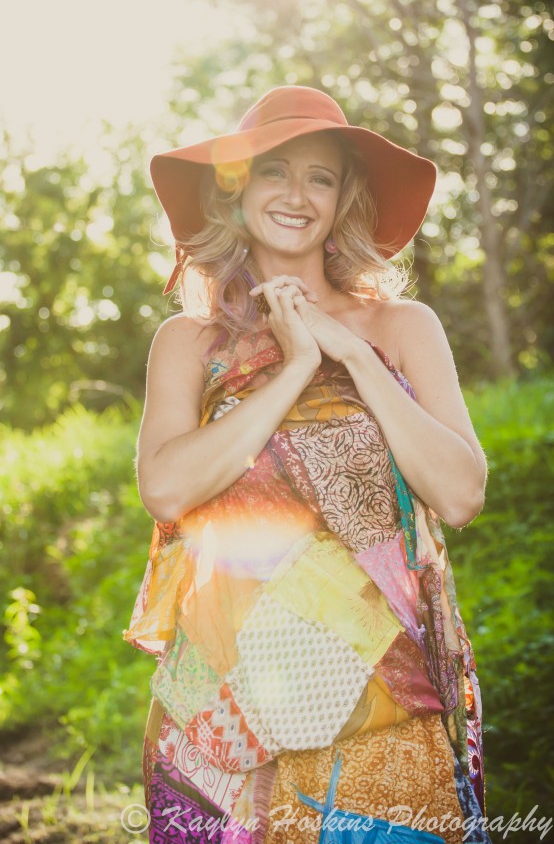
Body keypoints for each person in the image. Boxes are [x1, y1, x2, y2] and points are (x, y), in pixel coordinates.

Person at [124, 86, 490, 844]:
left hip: (385, 709)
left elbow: (458, 495)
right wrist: (294, 366)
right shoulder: (188, 344)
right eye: (274, 171)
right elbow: (165, 489)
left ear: (342, 201)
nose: (296, 194)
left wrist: (351, 351)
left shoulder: (400, 327)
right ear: (237, 192)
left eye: (320, 177)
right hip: (219, 714)